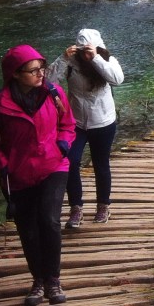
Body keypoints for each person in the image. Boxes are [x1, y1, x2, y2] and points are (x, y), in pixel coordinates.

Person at [0, 45, 75, 306]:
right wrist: (3, 163)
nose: (41, 73)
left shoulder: (54, 93)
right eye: (34, 70)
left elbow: (67, 124)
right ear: (15, 75)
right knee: (28, 230)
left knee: (49, 220)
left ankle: (53, 281)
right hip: (17, 176)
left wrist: (63, 144)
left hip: (53, 166)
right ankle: (38, 281)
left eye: (42, 68)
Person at [47, 28, 124, 228]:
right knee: (70, 161)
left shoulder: (107, 60)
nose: (85, 54)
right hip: (77, 122)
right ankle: (75, 208)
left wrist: (96, 58)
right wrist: (63, 58)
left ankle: (103, 206)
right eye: (82, 50)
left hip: (103, 121)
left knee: (101, 164)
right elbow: (47, 82)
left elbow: (117, 80)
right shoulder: (70, 64)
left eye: (88, 49)